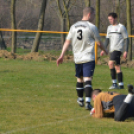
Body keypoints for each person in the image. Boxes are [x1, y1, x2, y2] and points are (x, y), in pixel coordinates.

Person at [57, 7, 108, 110]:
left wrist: (61, 55)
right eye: (93, 15)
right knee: (87, 79)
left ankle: (80, 99)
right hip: (88, 57)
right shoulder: (92, 27)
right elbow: (99, 42)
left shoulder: (73, 26)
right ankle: (88, 102)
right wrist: (106, 50)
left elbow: (67, 42)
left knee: (79, 79)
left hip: (78, 58)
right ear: (89, 15)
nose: (94, 17)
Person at [100, 13, 129, 89]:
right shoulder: (109, 28)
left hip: (118, 49)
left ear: (115, 18)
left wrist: (126, 51)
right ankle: (121, 85)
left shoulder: (121, 27)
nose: (110, 21)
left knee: (110, 63)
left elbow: (127, 39)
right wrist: (103, 49)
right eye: (109, 19)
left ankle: (114, 84)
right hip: (112, 49)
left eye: (111, 19)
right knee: (117, 67)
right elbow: (107, 40)